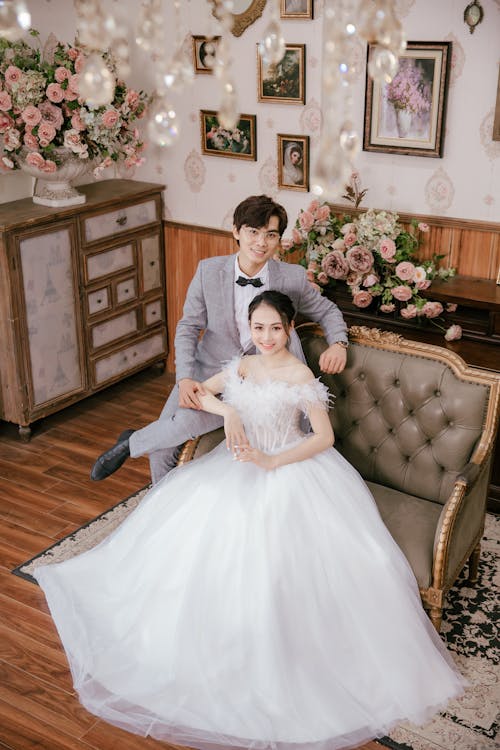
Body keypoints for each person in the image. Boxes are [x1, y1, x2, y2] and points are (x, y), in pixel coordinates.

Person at [35, 291, 465, 750]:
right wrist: (229, 410)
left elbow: (324, 437)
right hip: (235, 465)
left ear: (290, 327)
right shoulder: (243, 365)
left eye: (275, 328)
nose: (266, 337)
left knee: (287, 568)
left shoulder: (300, 374)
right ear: (249, 328)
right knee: (192, 545)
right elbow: (196, 393)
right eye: (258, 328)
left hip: (288, 469)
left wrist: (272, 462)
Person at [91, 194, 349, 485]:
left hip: (258, 384)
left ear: (279, 239)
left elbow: (326, 310)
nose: (261, 243)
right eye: (253, 232)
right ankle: (161, 505)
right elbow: (188, 326)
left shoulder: (292, 278)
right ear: (236, 231)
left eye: (271, 235)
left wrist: (339, 343)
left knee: (182, 425)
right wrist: (185, 377)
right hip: (206, 373)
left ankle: (130, 442)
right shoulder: (208, 272)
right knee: (161, 450)